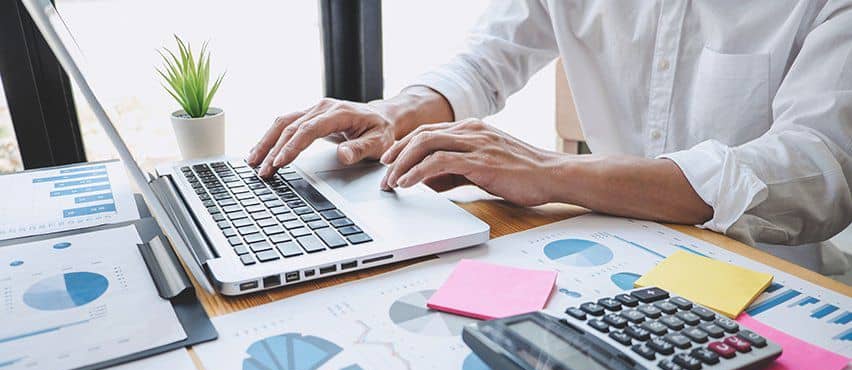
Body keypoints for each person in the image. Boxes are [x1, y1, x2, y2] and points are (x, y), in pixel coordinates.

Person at [248, 0, 852, 272]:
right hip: (611, 258)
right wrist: (396, 112)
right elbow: (485, 61)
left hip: (764, 278)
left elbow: (820, 168)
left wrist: (550, 174)